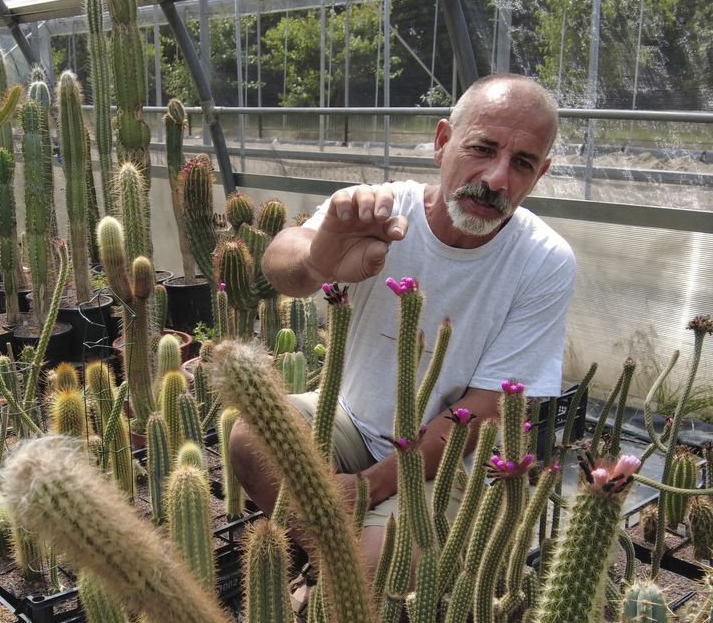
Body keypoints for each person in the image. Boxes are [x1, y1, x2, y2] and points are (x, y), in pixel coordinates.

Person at [228, 73, 576, 577]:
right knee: (250, 439)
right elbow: (281, 259)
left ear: (539, 175)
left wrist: (372, 484)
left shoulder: (543, 261)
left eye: (521, 163)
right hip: (350, 420)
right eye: (483, 148)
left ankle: (342, 578)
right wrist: (320, 259)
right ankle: (331, 569)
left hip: (449, 463)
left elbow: (487, 408)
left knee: (379, 563)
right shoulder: (383, 211)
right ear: (442, 143)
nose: (498, 178)